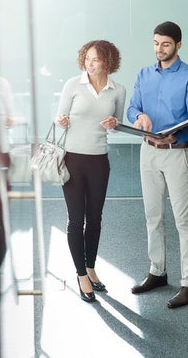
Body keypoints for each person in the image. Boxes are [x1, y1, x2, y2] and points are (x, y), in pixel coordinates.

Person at [126, 21, 188, 309]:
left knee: (184, 220)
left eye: (166, 44)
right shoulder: (144, 74)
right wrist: (139, 116)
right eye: (156, 43)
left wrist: (178, 133)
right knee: (153, 216)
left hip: (177, 153)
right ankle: (157, 272)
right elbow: (132, 107)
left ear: (178, 45)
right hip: (148, 152)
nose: (160, 49)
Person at [55, 40, 126, 303]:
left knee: (94, 218)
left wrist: (114, 123)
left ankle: (91, 267)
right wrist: (62, 120)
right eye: (87, 59)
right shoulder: (73, 85)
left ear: (108, 61)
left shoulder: (118, 90)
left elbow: (116, 125)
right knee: (76, 220)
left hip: (99, 161)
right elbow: (59, 117)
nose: (90, 64)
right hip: (73, 159)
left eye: (96, 59)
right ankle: (81, 274)